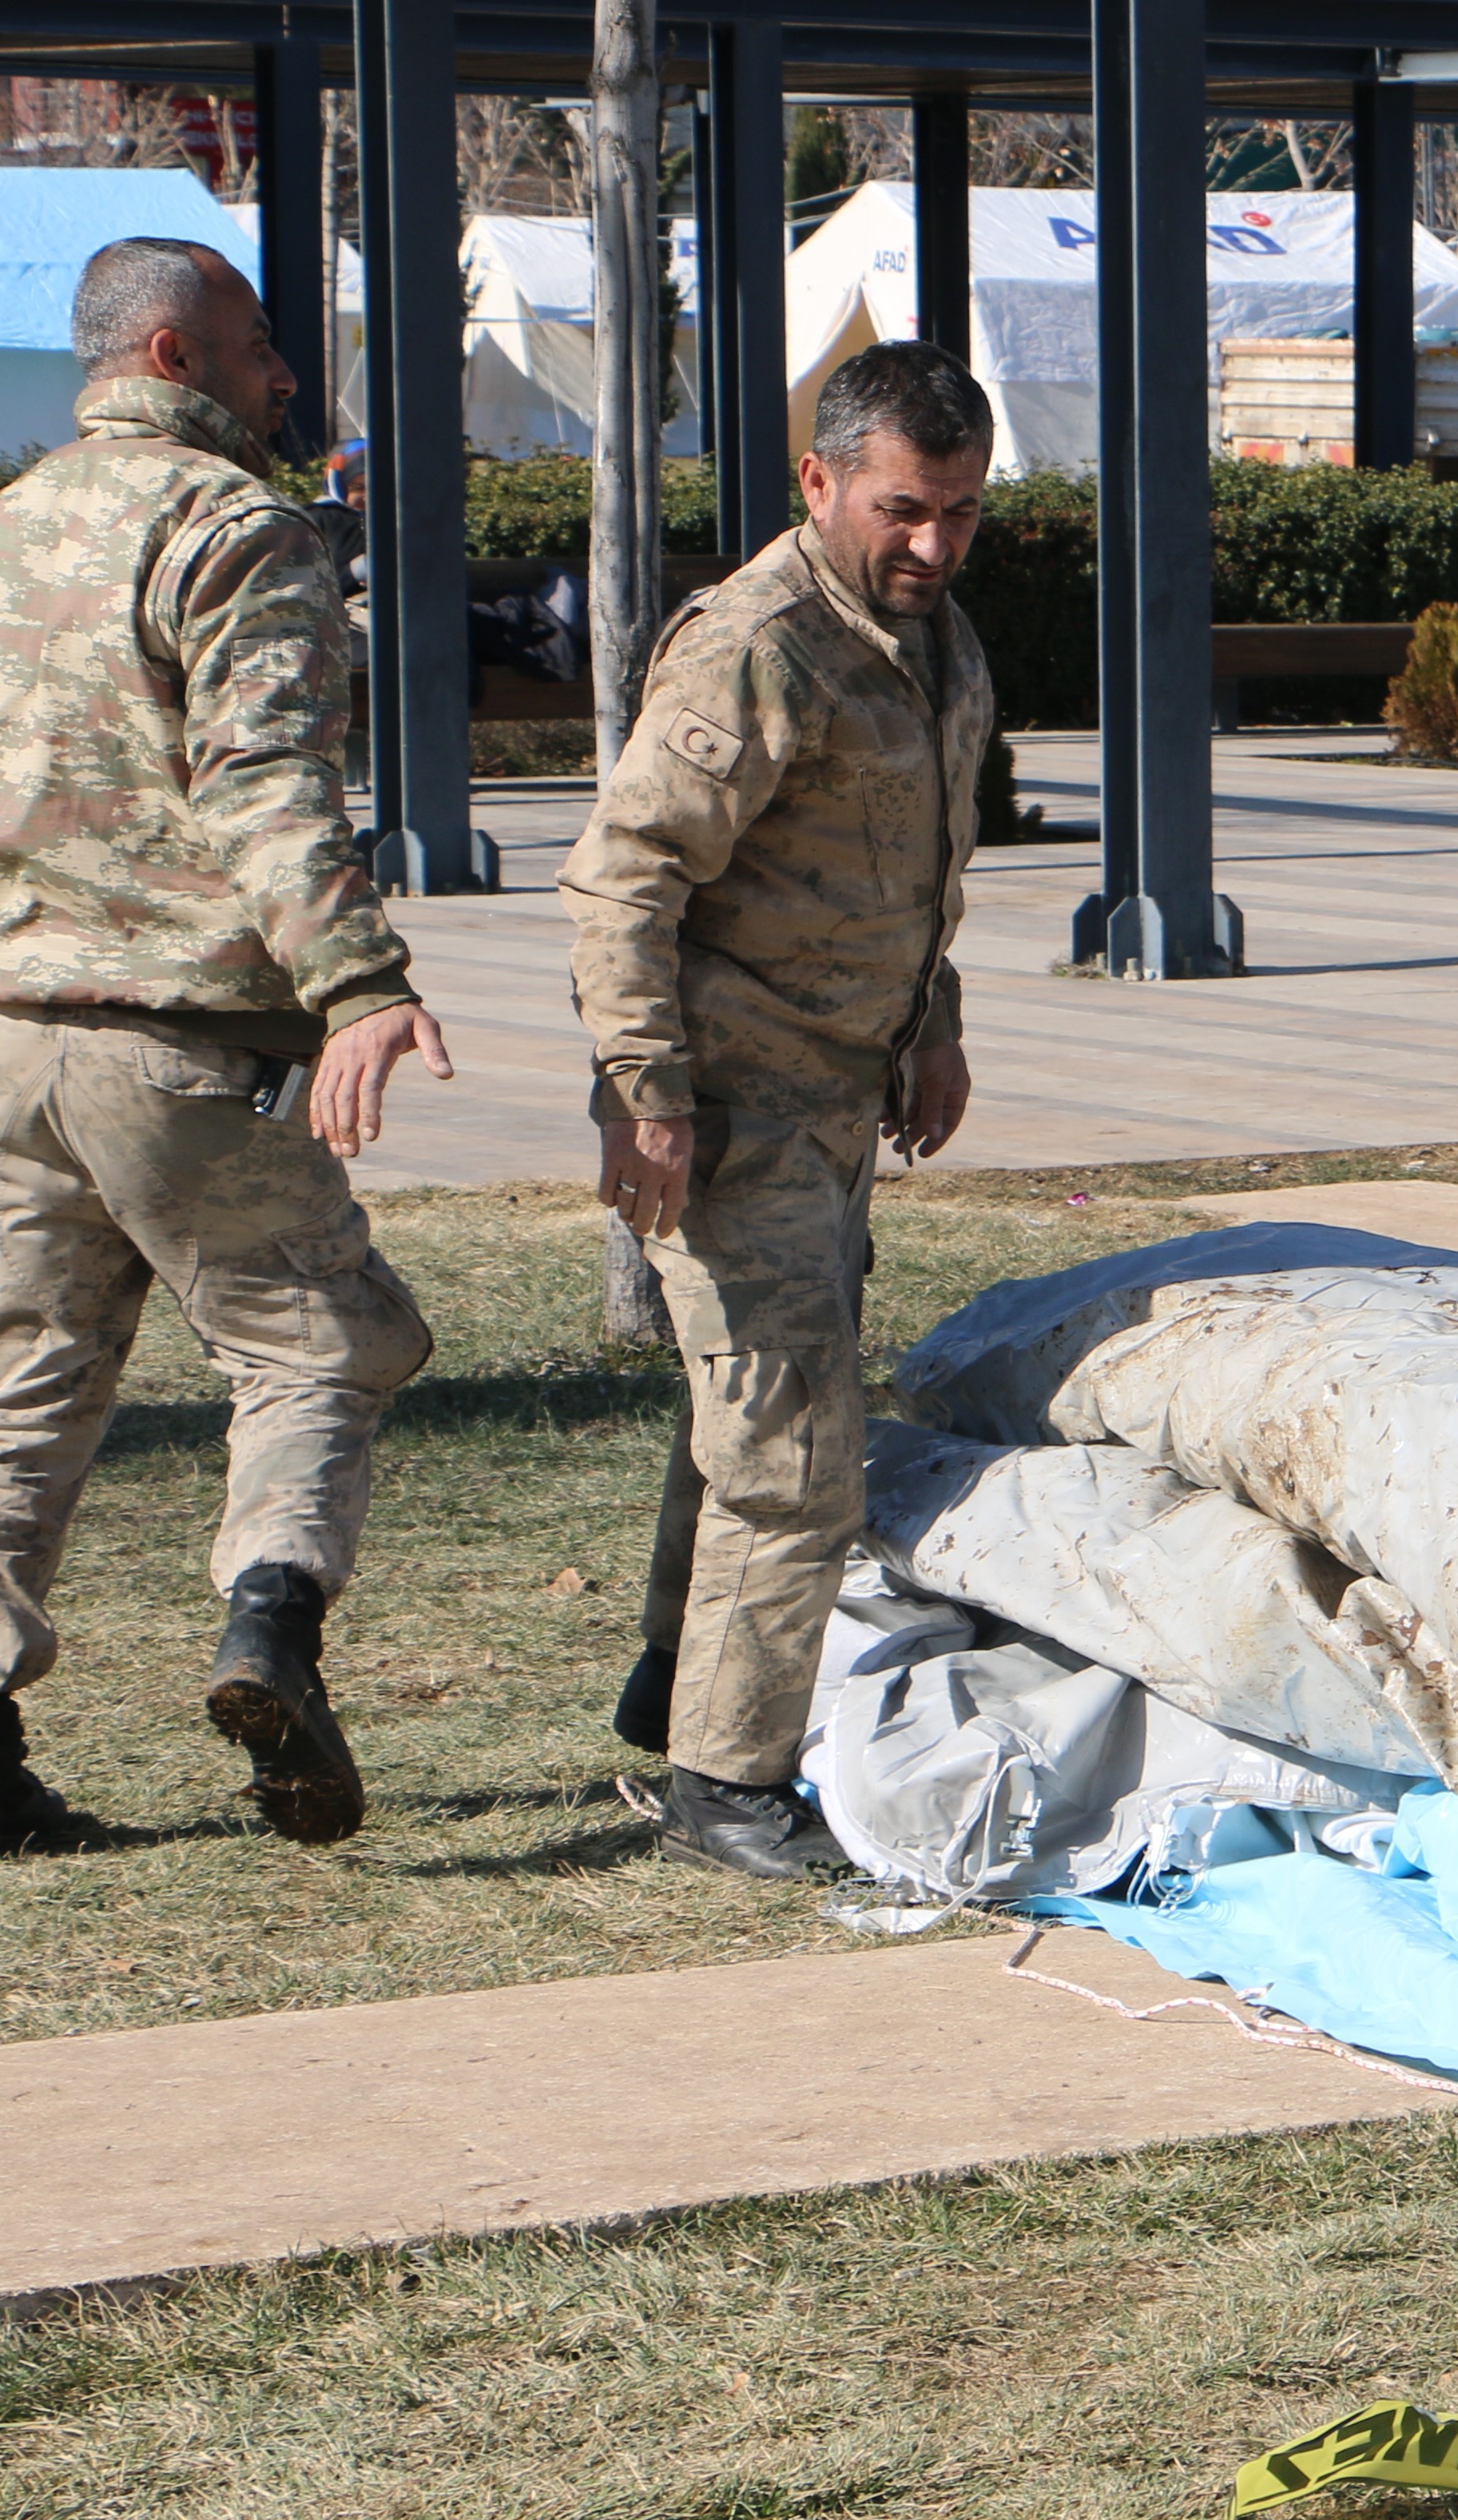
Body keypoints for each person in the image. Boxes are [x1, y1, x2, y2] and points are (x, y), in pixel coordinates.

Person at [0, 237, 454, 1864]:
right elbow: (267, 779)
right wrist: (357, 981)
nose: (285, 377)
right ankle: (270, 1626)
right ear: (173, 355)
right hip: (190, 1047)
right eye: (259, 345)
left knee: (20, 1390)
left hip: (14, 1049)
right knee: (315, 1343)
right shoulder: (236, 532)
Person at [558, 341, 995, 1880]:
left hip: (836, 1100)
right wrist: (646, 1096)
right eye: (902, 509)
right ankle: (724, 1787)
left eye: (960, 510)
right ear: (819, 481)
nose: (932, 543)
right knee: (792, 1447)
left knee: (746, 1418)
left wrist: (931, 1027)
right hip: (731, 1107)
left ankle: (675, 1688)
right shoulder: (759, 645)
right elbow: (624, 881)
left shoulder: (928, 636)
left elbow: (914, 866)